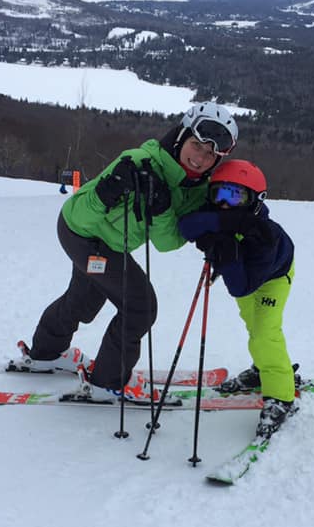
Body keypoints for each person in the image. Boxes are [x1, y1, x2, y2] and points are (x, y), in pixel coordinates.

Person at [19, 102, 240, 402]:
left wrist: (164, 210)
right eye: (197, 145)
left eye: (211, 153)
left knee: (83, 300)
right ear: (181, 136)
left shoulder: (195, 188)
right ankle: (108, 382)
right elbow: (81, 216)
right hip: (82, 233)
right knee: (140, 306)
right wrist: (104, 193)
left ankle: (46, 352)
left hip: (109, 245)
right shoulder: (138, 163)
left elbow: (167, 242)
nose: (200, 158)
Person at [177, 159, 298, 438]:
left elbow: (241, 287)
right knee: (252, 325)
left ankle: (281, 395)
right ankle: (261, 369)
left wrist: (226, 250)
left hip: (273, 278)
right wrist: (224, 228)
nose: (224, 204)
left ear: (255, 200)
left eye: (236, 196)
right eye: (219, 193)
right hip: (245, 274)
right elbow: (187, 226)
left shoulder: (266, 236)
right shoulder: (225, 212)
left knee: (265, 332)